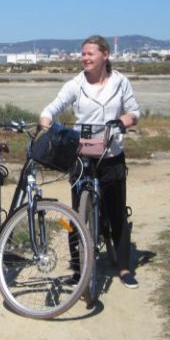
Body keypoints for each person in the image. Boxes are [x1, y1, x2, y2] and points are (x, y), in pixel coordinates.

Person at [39, 35, 141, 289]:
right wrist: (48, 124)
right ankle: (77, 269)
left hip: (111, 154)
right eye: (83, 54)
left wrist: (121, 122)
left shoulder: (120, 82)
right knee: (77, 214)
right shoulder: (76, 84)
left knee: (116, 211)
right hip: (82, 155)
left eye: (90, 53)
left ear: (105, 55)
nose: (85, 58)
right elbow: (51, 109)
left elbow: (134, 113)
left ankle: (125, 268)